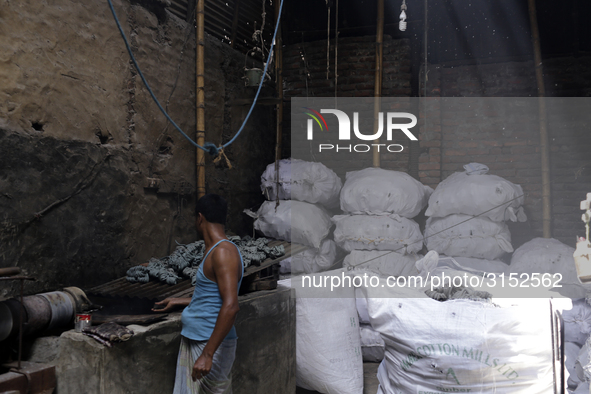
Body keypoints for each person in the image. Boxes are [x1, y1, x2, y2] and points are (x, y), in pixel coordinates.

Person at [153, 194, 244, 394]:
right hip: (201, 337)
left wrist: (207, 355)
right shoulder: (214, 250)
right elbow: (213, 296)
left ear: (199, 218)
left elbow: (231, 306)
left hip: (208, 341)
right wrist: (180, 301)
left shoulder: (223, 252)